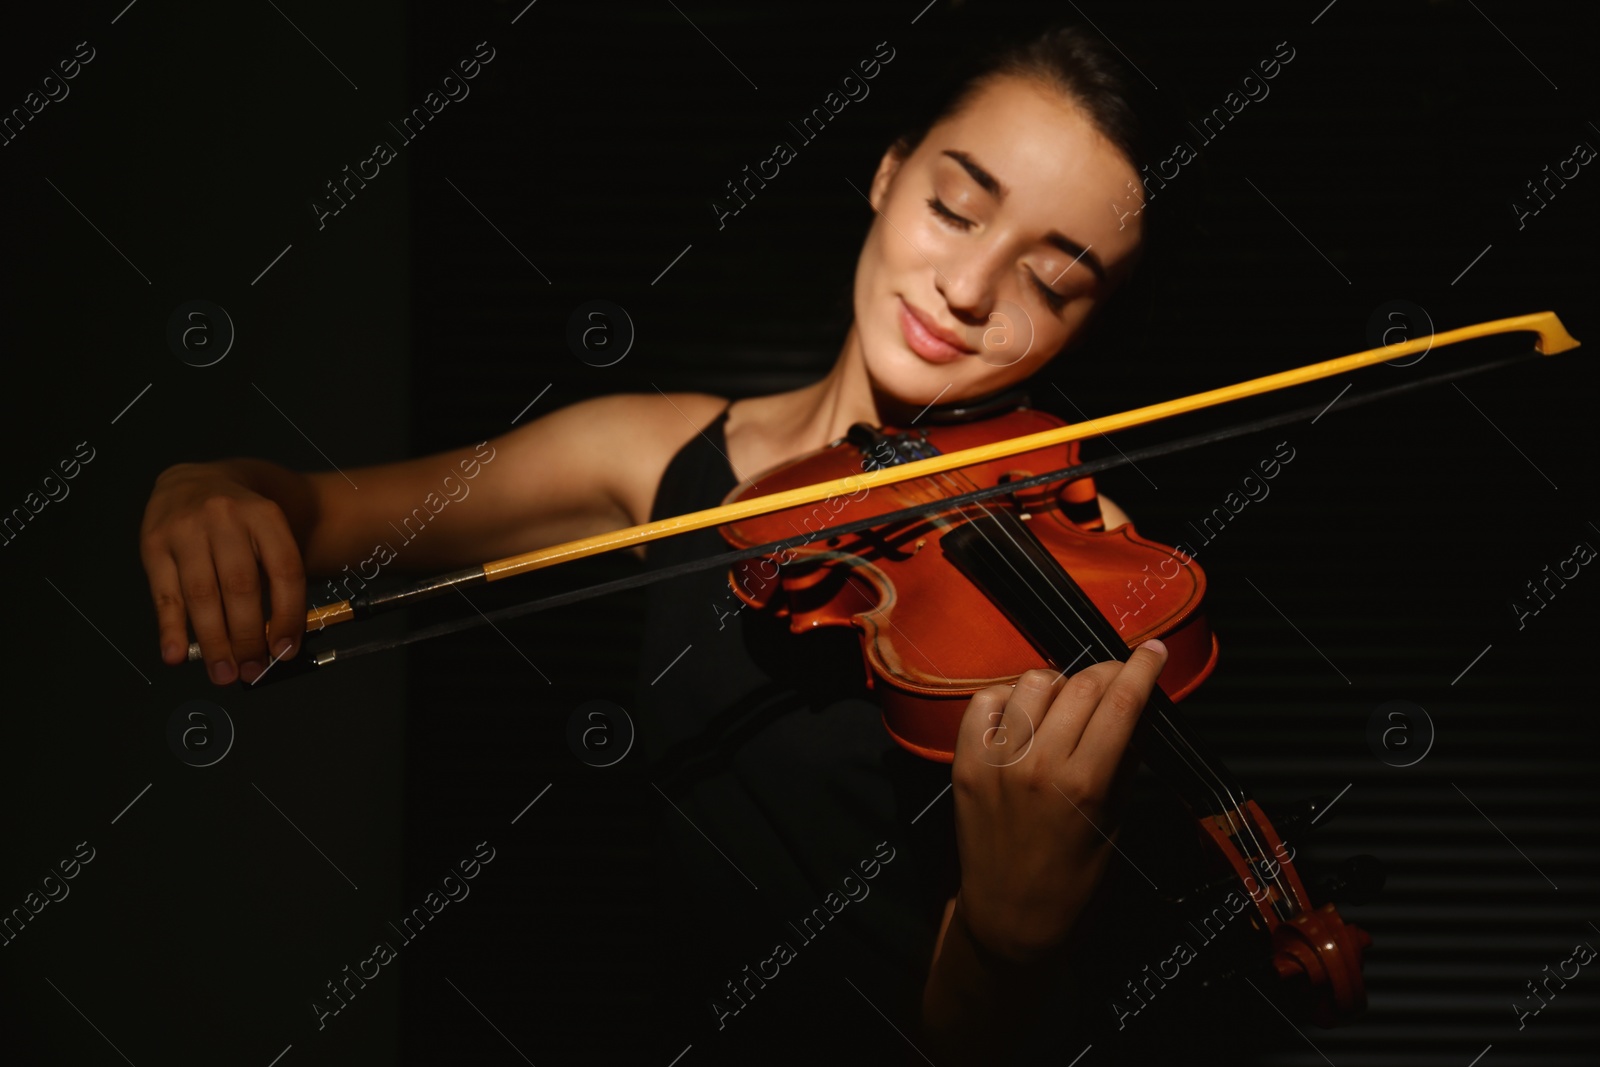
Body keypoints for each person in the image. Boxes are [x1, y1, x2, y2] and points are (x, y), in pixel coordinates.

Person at [140, 23, 1199, 1064]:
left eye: (1052, 282)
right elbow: (322, 514)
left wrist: (1005, 947)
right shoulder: (658, 456)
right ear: (886, 172)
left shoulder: (1069, 586)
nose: (969, 292)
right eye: (954, 208)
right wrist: (213, 487)